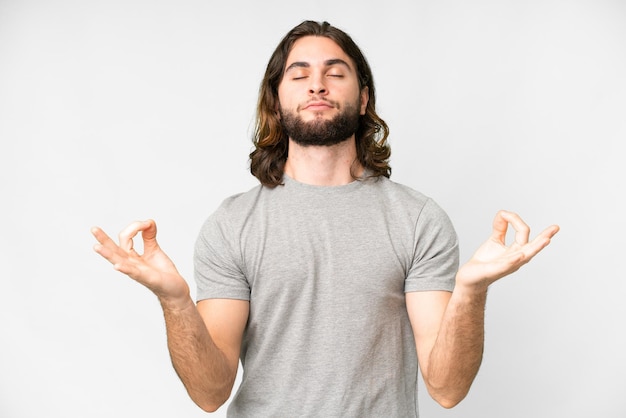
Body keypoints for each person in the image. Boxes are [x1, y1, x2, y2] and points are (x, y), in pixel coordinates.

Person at [91, 20, 559, 417]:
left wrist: (471, 292)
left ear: (362, 100)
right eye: (299, 75)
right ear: (276, 101)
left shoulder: (419, 219)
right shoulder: (231, 224)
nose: (317, 84)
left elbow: (447, 388)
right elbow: (210, 393)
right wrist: (175, 301)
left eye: (335, 73)